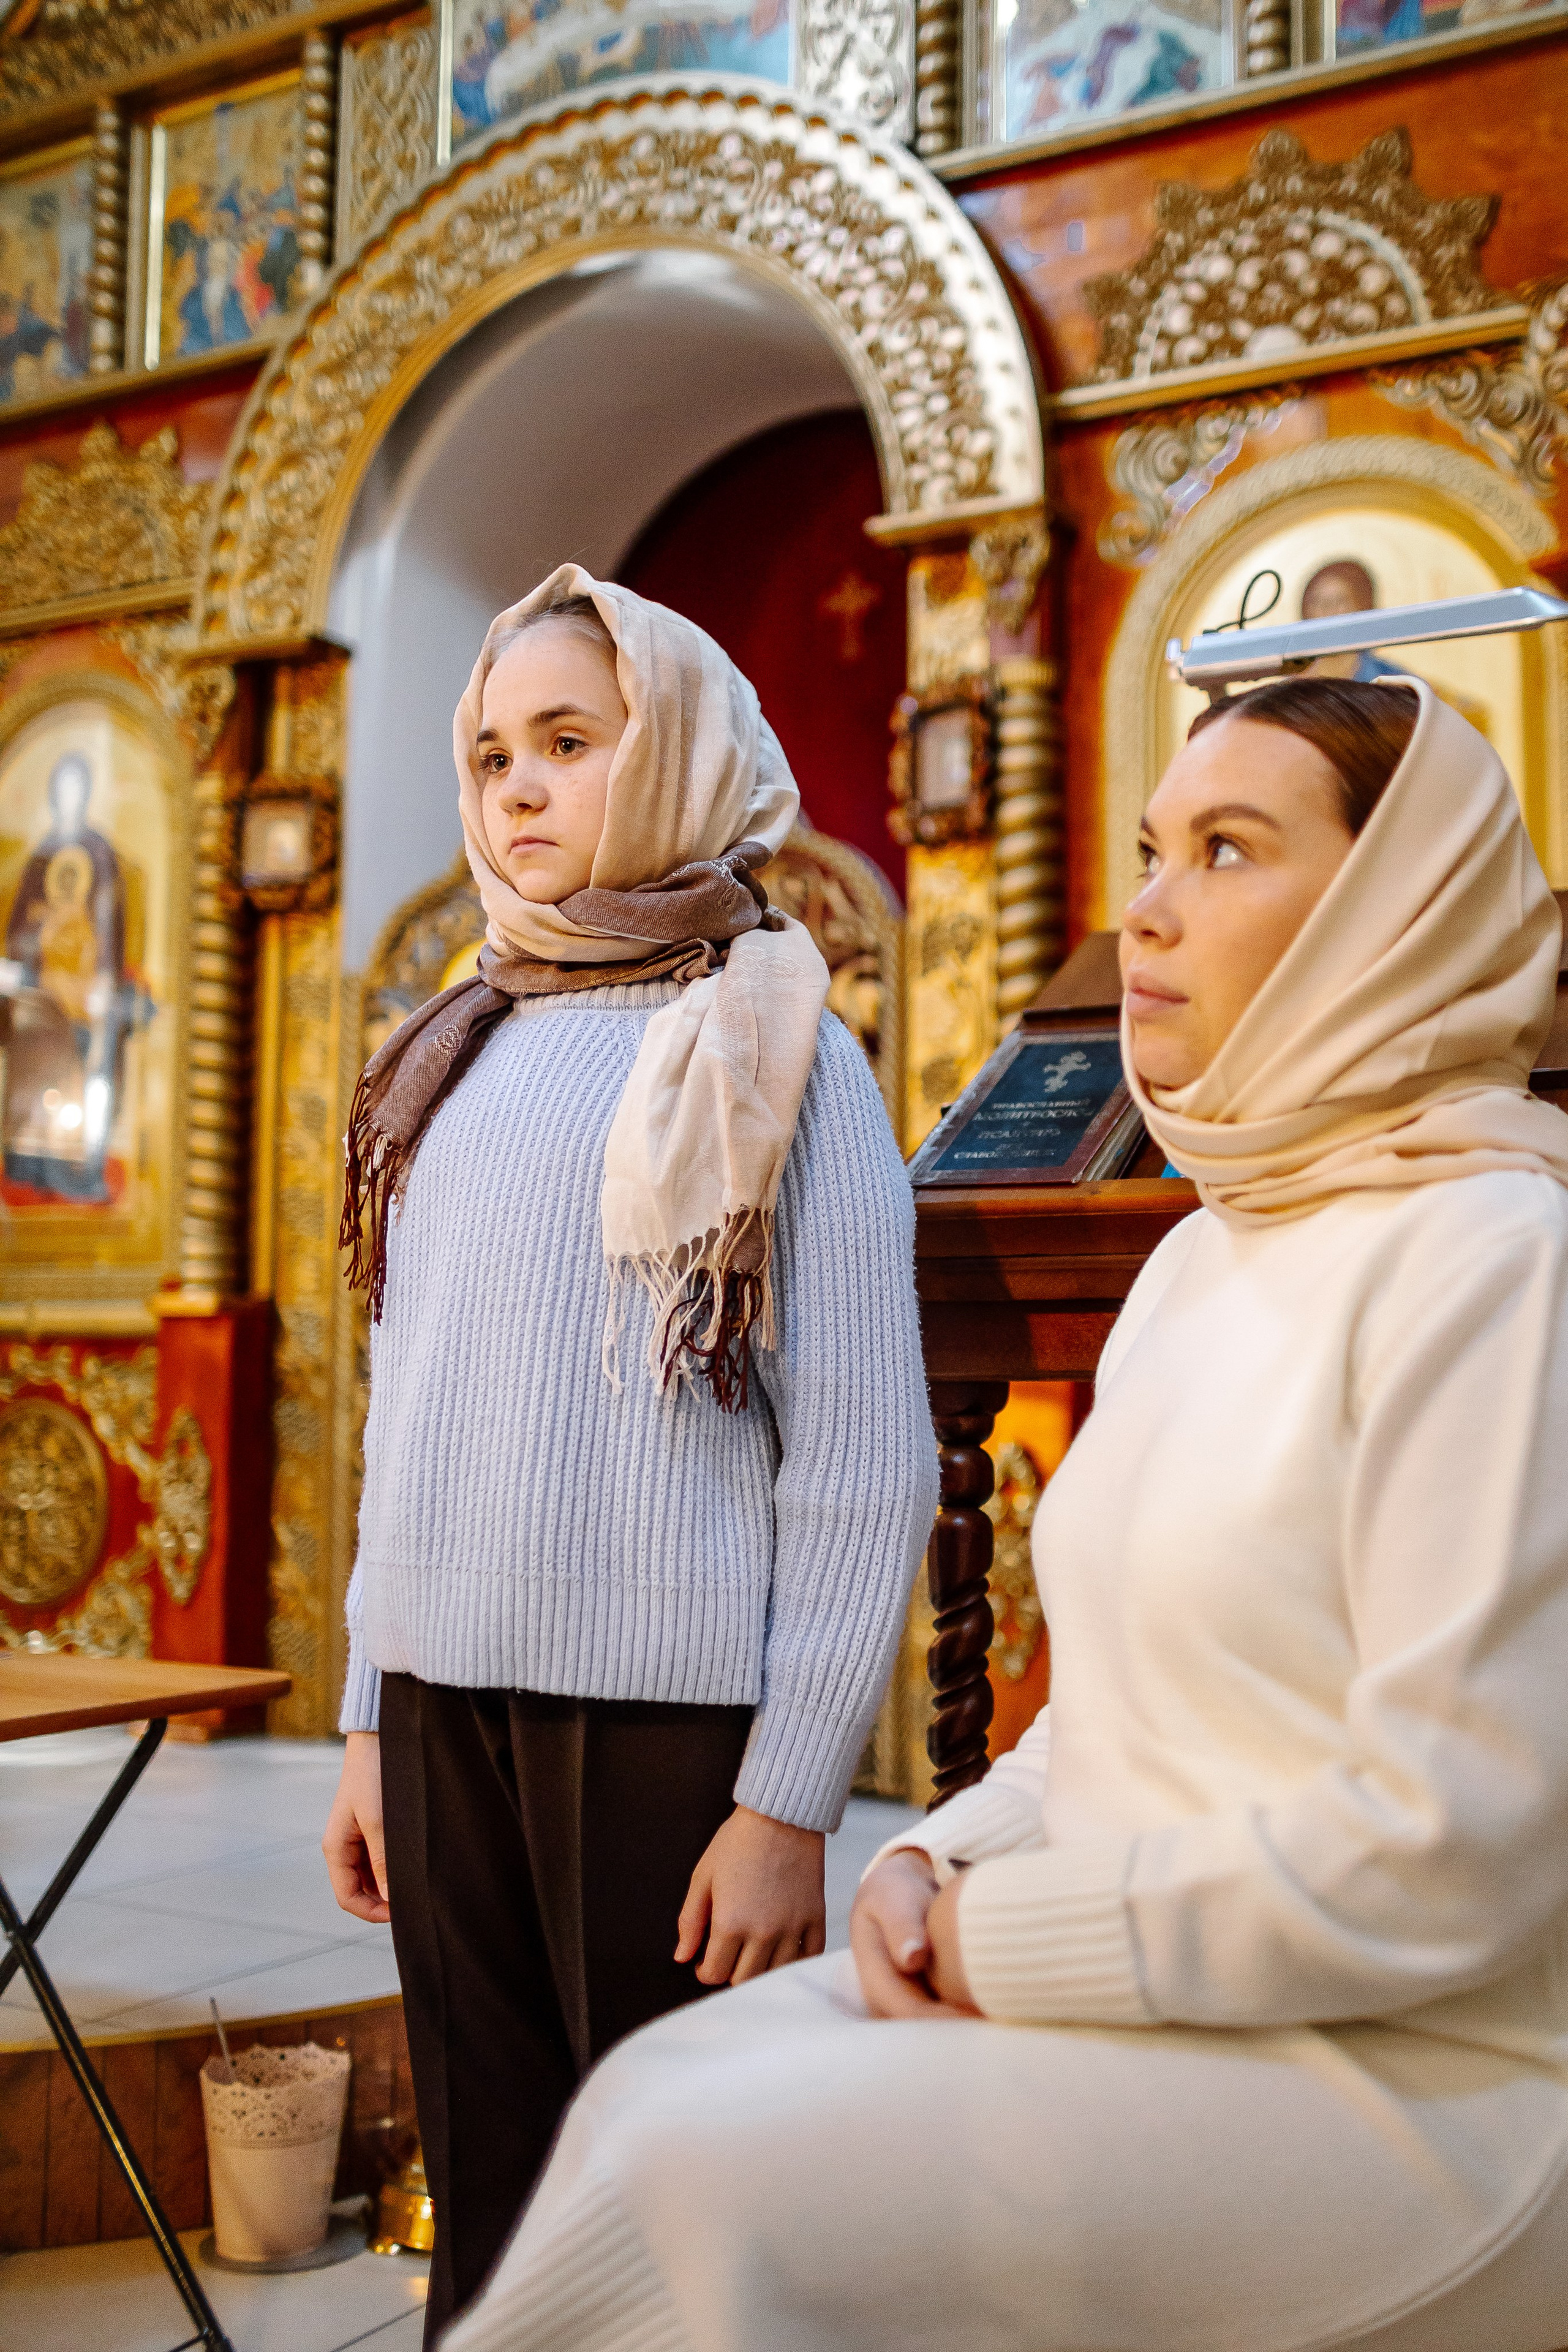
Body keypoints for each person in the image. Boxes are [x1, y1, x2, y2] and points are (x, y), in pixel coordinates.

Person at [444, 674, 1568, 2352]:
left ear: (1390, 915)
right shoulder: (1206, 1251)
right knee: (659, 2090)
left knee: (722, 2178)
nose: (1148, 911)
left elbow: (1458, 1844)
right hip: (1170, 1974)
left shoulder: (1497, 1261)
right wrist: (933, 1854)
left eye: (1228, 850)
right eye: (1148, 848)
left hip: (1427, 2066)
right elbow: (1123, 1708)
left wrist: (1006, 1938)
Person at [321, 567, 938, 2345]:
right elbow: (408, 1414)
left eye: (572, 743)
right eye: (496, 750)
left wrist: (788, 1796)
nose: (519, 787)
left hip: (668, 1733)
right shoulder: (452, 1052)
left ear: (675, 754)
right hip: (446, 1707)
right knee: (497, 2191)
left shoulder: (787, 1057)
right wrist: (369, 1713)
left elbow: (863, 1458)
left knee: (680, 2198)